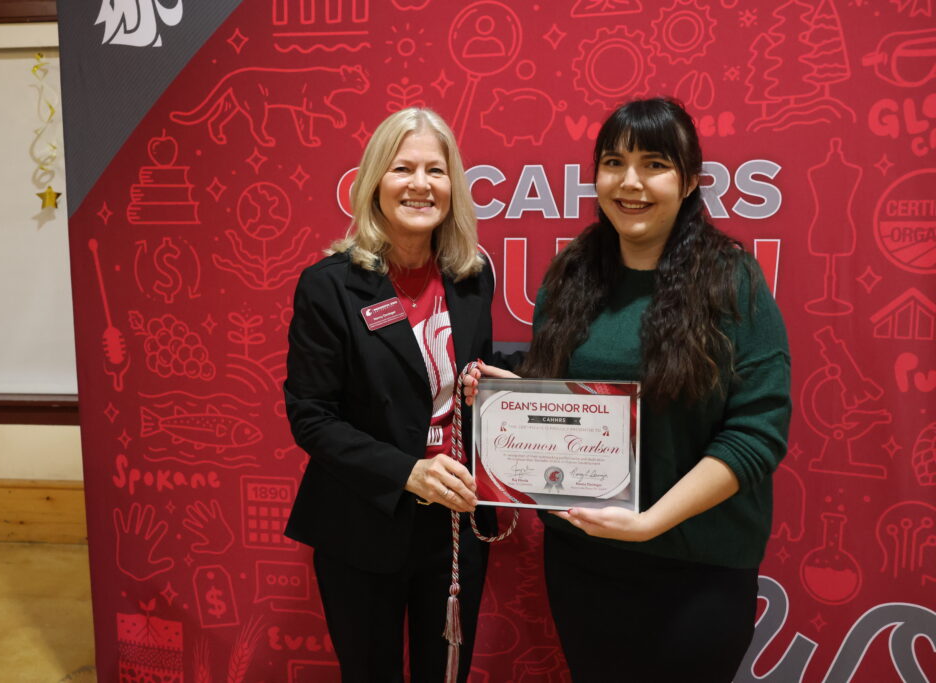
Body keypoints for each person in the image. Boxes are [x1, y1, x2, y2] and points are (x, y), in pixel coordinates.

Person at [466, 97, 791, 682]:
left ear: (690, 180)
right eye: (614, 162)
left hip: (698, 570)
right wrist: (513, 401)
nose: (631, 182)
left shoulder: (731, 280)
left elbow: (757, 434)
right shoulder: (571, 275)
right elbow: (566, 400)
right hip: (584, 563)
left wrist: (651, 520)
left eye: (654, 164)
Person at [283, 106, 495, 683]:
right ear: (375, 181)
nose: (421, 185)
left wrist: (491, 385)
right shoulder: (329, 286)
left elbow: (468, 373)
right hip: (363, 522)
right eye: (404, 169)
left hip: (453, 523)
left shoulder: (474, 276)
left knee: (445, 672)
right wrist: (407, 471)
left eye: (436, 170)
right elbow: (312, 417)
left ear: (453, 184)